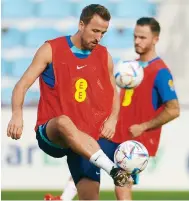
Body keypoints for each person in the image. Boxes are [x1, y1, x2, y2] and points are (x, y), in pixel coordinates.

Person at [44, 17, 180, 200]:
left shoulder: (160, 71)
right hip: (116, 133)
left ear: (155, 39)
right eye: (135, 36)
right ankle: (64, 198)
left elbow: (174, 109)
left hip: (134, 140)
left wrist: (144, 126)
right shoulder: (130, 67)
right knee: (87, 156)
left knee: (122, 187)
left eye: (142, 37)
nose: (137, 41)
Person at [6, 4, 130, 190]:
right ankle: (113, 170)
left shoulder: (104, 56)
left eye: (103, 33)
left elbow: (113, 92)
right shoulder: (51, 49)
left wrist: (112, 120)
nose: (98, 38)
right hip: (53, 134)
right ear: (81, 25)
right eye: (95, 31)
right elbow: (21, 85)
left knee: (90, 197)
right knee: (64, 122)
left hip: (85, 138)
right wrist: (17, 114)